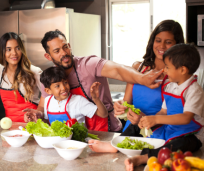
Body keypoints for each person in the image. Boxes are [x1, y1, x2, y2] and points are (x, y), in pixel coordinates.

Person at [89, 44, 204, 171]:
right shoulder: (171, 86)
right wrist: (148, 120)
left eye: (167, 67)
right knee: (137, 125)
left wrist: (156, 120)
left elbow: (186, 118)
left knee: (176, 146)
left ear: (182, 70)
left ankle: (142, 159)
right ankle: (115, 146)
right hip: (170, 128)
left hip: (190, 135)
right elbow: (163, 111)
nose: (164, 70)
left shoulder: (194, 90)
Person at [24, 29, 163, 132]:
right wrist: (38, 114)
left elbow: (118, 70)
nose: (64, 53)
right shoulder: (50, 78)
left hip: (106, 130)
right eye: (57, 51)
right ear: (48, 56)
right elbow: (43, 107)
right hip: (74, 135)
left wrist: (141, 78)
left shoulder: (88, 64)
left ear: (70, 46)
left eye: (65, 47)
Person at [114, 20, 185, 133]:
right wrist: (120, 106)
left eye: (168, 42)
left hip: (158, 134)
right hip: (130, 131)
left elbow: (177, 117)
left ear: (177, 45)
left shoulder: (177, 76)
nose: (161, 46)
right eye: (158, 40)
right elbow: (126, 102)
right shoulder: (138, 68)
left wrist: (144, 119)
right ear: (153, 42)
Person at [39, 66, 108, 125]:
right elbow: (47, 120)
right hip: (57, 140)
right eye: (57, 86)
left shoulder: (78, 101)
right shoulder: (47, 101)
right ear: (48, 91)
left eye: (65, 82)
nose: (63, 88)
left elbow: (103, 114)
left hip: (77, 140)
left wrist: (96, 99)